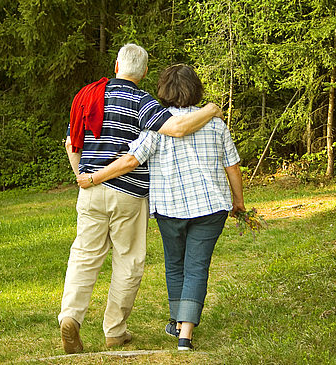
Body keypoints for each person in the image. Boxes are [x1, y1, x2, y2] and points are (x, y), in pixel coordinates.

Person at [60, 45, 223, 354]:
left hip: (91, 192)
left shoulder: (87, 96)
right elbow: (175, 128)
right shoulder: (142, 100)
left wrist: (84, 178)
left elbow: (72, 142)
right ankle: (115, 331)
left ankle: (70, 317)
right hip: (129, 193)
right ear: (145, 72)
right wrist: (211, 110)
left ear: (117, 64)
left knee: (84, 256)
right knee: (129, 260)